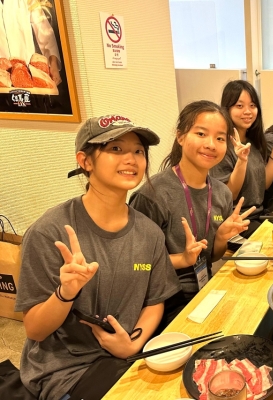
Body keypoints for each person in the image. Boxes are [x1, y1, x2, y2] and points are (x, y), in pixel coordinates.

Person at [13, 115, 181, 400]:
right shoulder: (49, 232)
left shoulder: (149, 233)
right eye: (115, 148)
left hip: (124, 356)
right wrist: (65, 293)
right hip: (66, 371)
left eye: (138, 151)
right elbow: (35, 330)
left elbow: (155, 301)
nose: (131, 159)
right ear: (85, 161)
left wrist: (133, 344)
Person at [129, 100, 255, 331]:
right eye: (201, 134)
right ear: (180, 136)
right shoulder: (154, 195)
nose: (211, 144)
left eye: (220, 138)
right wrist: (182, 259)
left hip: (205, 290)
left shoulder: (222, 193)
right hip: (163, 304)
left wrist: (221, 237)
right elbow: (137, 266)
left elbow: (212, 257)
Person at [211, 80, 273, 237]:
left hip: (257, 215)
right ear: (226, 109)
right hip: (236, 222)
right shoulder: (222, 146)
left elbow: (263, 185)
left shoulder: (253, 142)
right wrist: (241, 161)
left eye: (252, 105)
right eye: (239, 106)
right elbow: (229, 195)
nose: (248, 111)